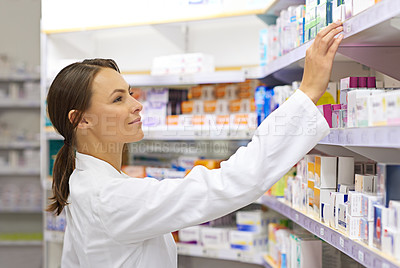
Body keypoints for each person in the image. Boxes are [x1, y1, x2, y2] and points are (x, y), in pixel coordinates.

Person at [46, 22, 344, 268]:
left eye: (131, 93)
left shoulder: (85, 182)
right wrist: (307, 92)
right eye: (118, 99)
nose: (137, 105)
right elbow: (230, 183)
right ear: (81, 120)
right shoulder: (110, 196)